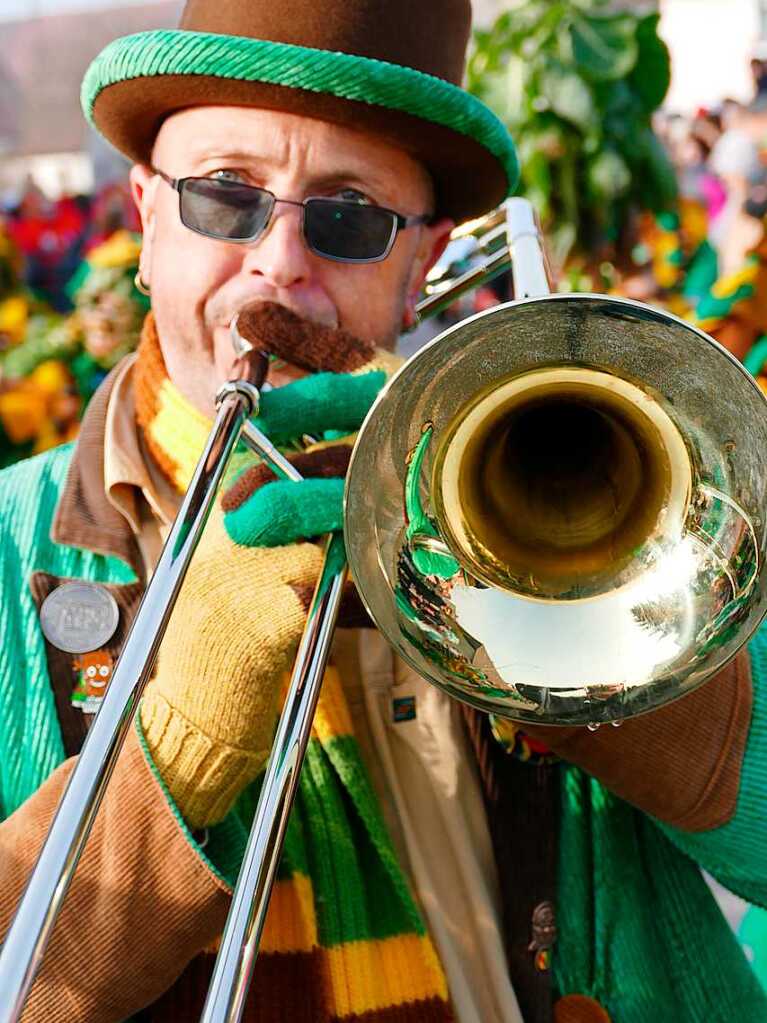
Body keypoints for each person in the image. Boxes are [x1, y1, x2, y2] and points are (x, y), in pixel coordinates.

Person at [0, 4, 765, 1022]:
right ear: (143, 218)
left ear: (420, 268)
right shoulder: (13, 538)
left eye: (348, 217)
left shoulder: (535, 492)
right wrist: (180, 739)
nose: (278, 261)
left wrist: (592, 627)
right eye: (223, 198)